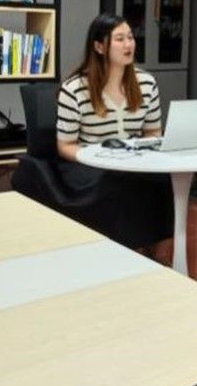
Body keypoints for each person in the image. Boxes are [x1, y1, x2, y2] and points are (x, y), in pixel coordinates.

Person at [55, 13, 172, 251]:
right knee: (115, 183)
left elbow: (153, 132)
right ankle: (119, 250)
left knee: (159, 178)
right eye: (120, 39)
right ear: (99, 47)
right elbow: (65, 145)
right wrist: (97, 158)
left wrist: (139, 153)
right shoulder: (74, 89)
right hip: (89, 164)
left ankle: (156, 247)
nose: (129, 44)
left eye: (130, 37)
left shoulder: (146, 83)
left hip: (131, 159)